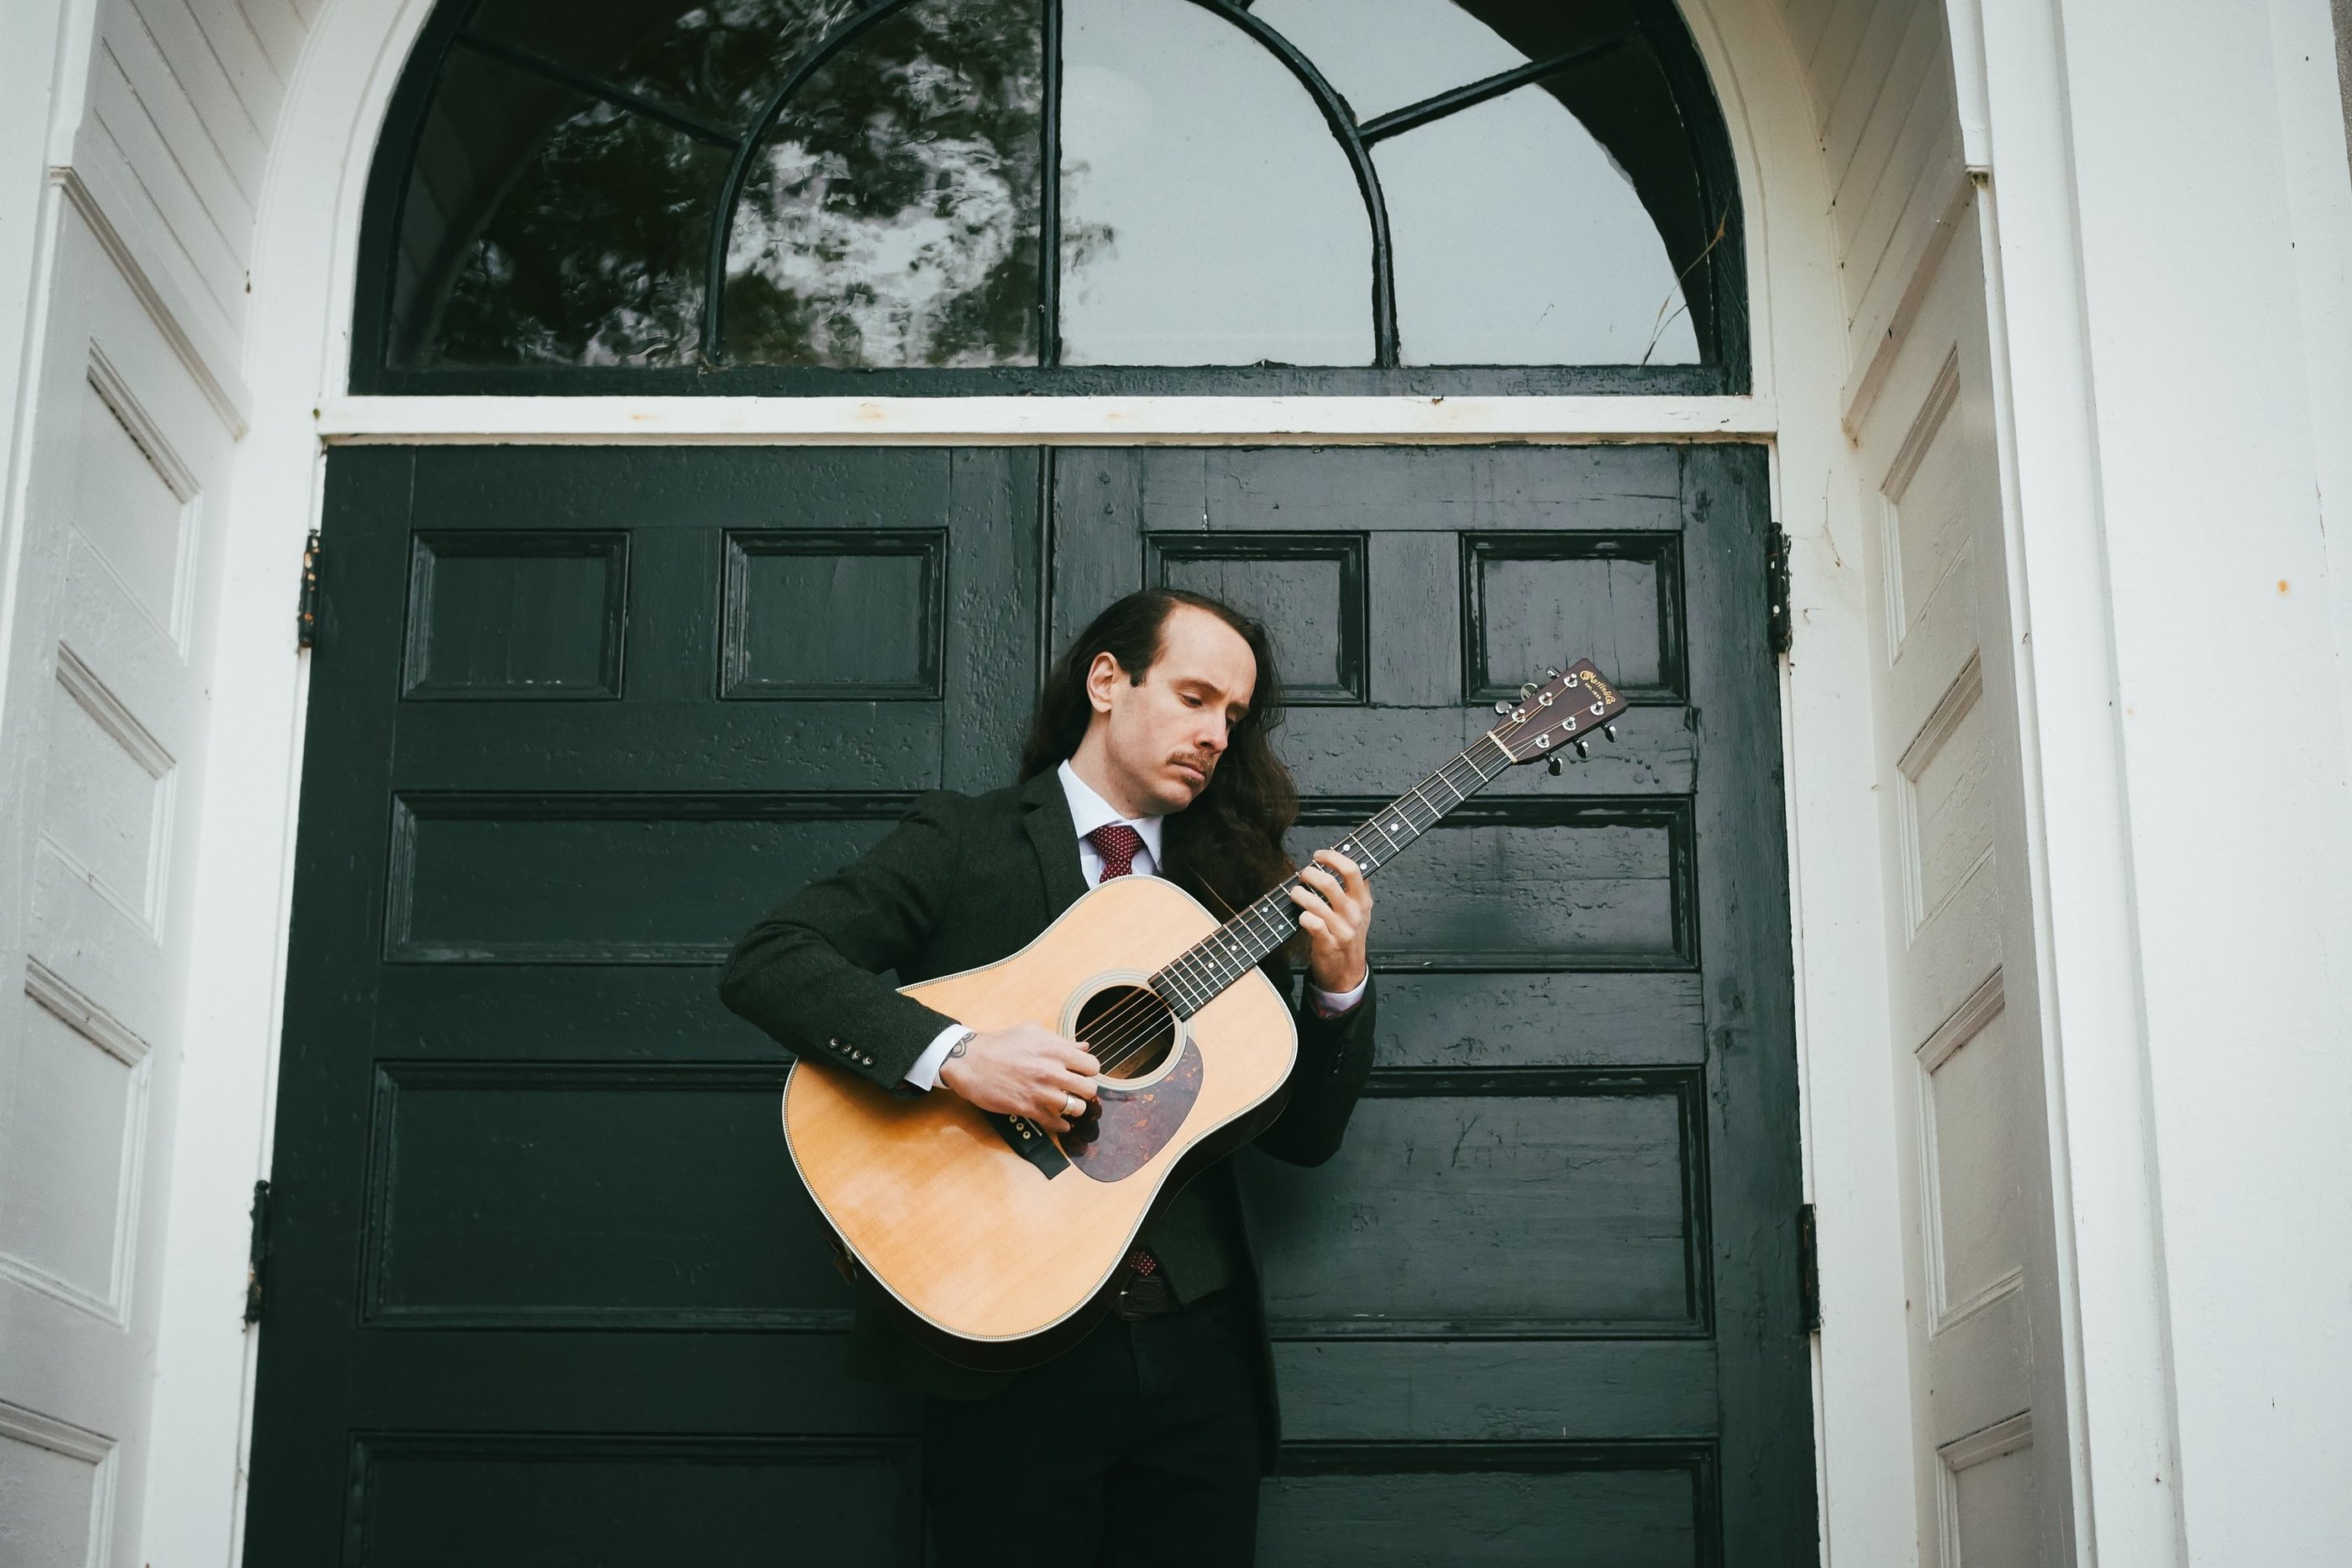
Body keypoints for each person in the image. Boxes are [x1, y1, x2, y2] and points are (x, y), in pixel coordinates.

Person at [719, 588, 1378, 1566]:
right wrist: (960, 1057)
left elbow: (1304, 1136)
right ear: (1107, 680)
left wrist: (1339, 987)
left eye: (1233, 718)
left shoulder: (1230, 888)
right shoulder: (963, 840)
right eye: (1195, 697)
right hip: (1001, 1339)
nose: (1215, 735)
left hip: (1197, 1352)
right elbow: (770, 959)